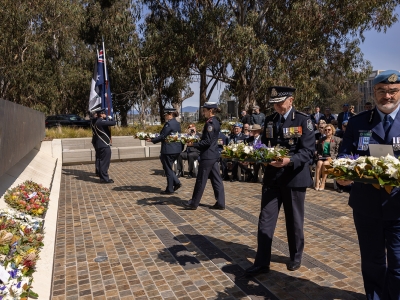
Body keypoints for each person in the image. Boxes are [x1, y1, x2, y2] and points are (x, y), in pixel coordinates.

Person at [337, 70, 400, 299]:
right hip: (367, 207)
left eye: (393, 91)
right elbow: (344, 158)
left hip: (399, 207)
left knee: (399, 264)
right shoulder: (358, 122)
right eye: (382, 91)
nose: (388, 96)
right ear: (374, 92)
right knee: (372, 263)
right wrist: (342, 176)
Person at [245, 86, 315, 276]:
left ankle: (295, 255)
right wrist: (255, 155)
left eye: (280, 102)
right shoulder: (270, 120)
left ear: (290, 100)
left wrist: (289, 160)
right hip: (272, 178)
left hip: (294, 177)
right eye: (274, 104)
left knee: (293, 220)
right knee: (265, 220)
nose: (276, 107)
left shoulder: (303, 120)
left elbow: (308, 151)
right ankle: (261, 262)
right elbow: (266, 146)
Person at [181, 102, 225, 210]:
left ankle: (194, 203)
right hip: (213, 155)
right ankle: (220, 202)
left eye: (204, 110)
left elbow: (207, 142)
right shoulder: (215, 121)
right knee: (216, 180)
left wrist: (193, 144)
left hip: (208, 155)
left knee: (201, 179)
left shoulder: (210, 123)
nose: (203, 112)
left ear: (210, 111)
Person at [147, 108, 183, 194]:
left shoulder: (169, 124)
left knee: (167, 168)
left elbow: (163, 136)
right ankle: (172, 185)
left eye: (166, 114)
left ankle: (173, 186)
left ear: (170, 114)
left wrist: (152, 140)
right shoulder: (177, 123)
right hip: (176, 149)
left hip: (169, 150)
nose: (165, 116)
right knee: (168, 168)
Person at [314, 124, 341, 190]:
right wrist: (319, 155)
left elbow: (337, 152)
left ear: (332, 130)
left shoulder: (337, 139)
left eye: (329, 130)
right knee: (319, 163)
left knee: (325, 163)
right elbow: (319, 151)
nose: (327, 131)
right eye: (325, 130)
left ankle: (323, 183)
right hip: (323, 157)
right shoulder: (322, 139)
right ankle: (317, 182)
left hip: (331, 157)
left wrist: (332, 157)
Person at [94, 109, 116, 183]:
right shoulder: (101, 122)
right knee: (104, 162)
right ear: (101, 114)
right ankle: (104, 178)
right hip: (104, 145)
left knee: (101, 161)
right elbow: (113, 123)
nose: (105, 115)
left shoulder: (97, 121)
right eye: (104, 114)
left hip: (100, 145)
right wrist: (111, 118)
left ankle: (102, 177)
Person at [90, 112, 100, 177]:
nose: (97, 115)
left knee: (98, 156)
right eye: (96, 114)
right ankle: (99, 171)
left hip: (95, 140)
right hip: (97, 141)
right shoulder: (95, 121)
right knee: (99, 157)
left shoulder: (93, 121)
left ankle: (98, 171)